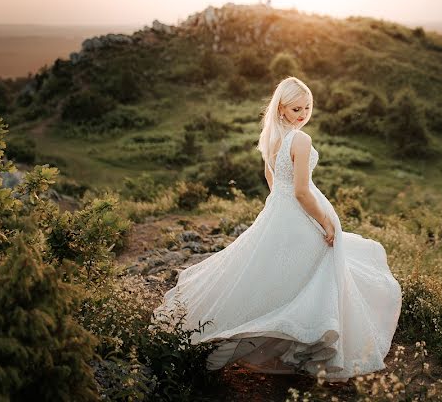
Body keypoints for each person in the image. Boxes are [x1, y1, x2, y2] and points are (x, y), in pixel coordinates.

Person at [151, 76, 402, 381]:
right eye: (296, 108)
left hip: (278, 212)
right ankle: (269, 341)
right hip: (297, 214)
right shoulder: (300, 140)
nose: (303, 113)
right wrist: (323, 220)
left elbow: (272, 182)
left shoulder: (271, 136)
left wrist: (279, 207)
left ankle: (253, 338)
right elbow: (301, 192)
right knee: (318, 274)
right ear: (281, 108)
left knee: (272, 278)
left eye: (307, 106)